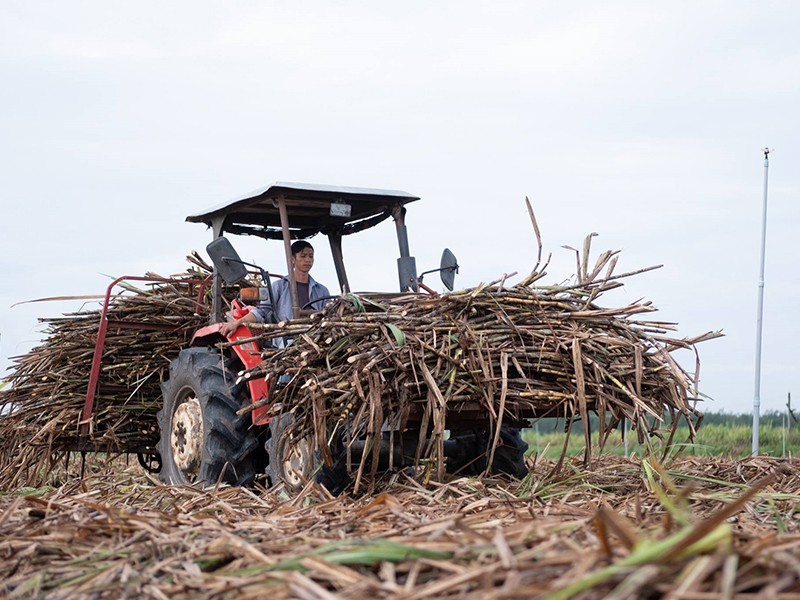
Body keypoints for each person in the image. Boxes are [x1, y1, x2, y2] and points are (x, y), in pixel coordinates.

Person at [219, 240, 331, 342]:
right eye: (303, 256)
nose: (308, 260)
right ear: (292, 259)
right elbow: (261, 312)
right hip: (286, 337)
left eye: (311, 256)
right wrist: (236, 323)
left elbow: (329, 316)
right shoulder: (279, 286)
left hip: (315, 336)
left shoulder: (321, 291)